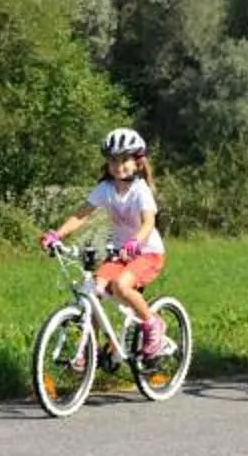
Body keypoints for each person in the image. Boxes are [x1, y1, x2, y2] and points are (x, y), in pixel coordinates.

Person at [44, 126, 176, 360]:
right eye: (113, 160)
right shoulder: (105, 189)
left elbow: (148, 223)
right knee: (92, 290)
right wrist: (57, 235)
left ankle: (153, 324)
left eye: (125, 160)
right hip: (121, 254)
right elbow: (81, 214)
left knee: (121, 286)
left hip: (148, 253)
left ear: (137, 162)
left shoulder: (140, 190)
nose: (119, 166)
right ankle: (89, 348)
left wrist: (135, 242)